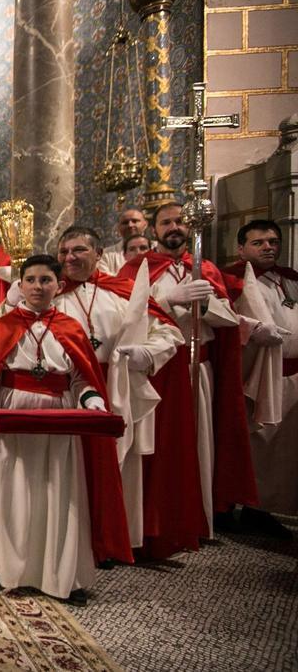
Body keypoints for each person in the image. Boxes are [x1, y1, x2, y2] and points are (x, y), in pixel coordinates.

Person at [0, 254, 131, 606]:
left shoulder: (71, 328)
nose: (38, 286)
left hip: (59, 418)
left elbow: (81, 378)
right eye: (31, 280)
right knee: (10, 488)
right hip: (13, 415)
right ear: (19, 286)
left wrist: (92, 400)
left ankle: (61, 573)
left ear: (58, 285)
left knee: (60, 491)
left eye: (45, 280)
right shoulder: (2, 327)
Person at [117, 202, 257, 535]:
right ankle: (161, 518)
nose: (174, 227)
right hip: (161, 369)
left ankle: (199, 518)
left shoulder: (204, 268)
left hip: (201, 368)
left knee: (200, 442)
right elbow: (126, 315)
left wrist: (207, 304)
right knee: (164, 444)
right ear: (154, 230)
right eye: (166, 222)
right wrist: (169, 300)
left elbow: (228, 321)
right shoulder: (138, 268)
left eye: (180, 221)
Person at [52, 227, 187, 555]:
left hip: (118, 386)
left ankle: (115, 539)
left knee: (118, 463)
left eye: (79, 250)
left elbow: (169, 332)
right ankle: (73, 542)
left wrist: (147, 353)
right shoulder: (50, 294)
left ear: (99, 254)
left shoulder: (125, 291)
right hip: (67, 391)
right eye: (64, 251)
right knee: (70, 468)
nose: (70, 257)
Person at [222, 219, 296, 535]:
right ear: (241, 248)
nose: (268, 247)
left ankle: (263, 506)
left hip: (292, 372)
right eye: (259, 242)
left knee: (280, 448)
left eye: (273, 241)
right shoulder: (230, 279)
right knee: (253, 441)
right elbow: (223, 321)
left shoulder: (290, 279)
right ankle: (231, 504)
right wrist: (252, 331)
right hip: (252, 370)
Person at [97, 206, 148, 275]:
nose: (130, 225)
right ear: (118, 227)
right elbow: (106, 281)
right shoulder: (106, 255)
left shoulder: (157, 249)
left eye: (135, 221)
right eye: (125, 222)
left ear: (145, 224)